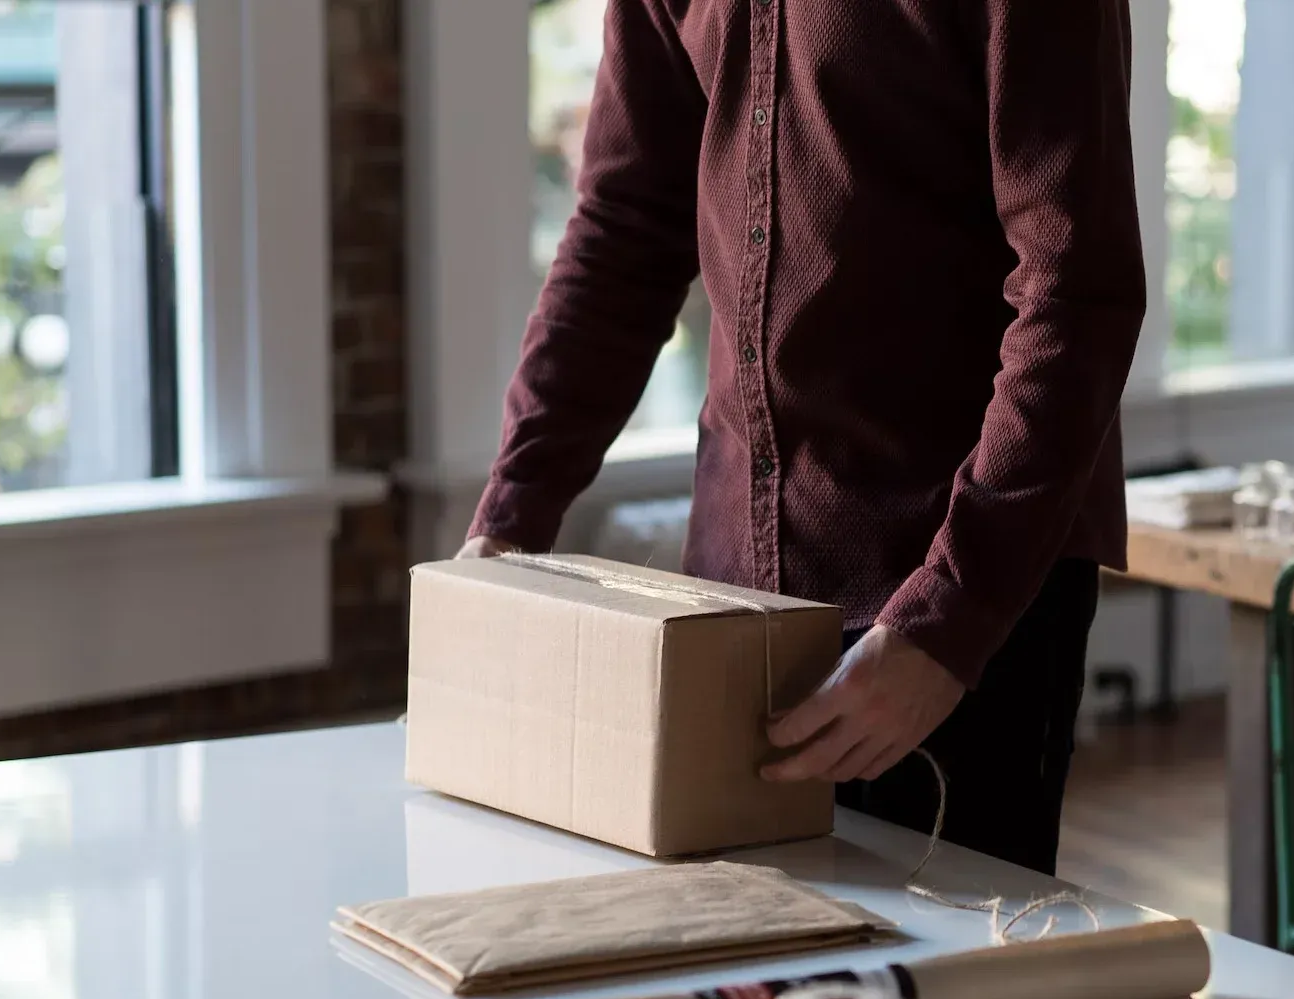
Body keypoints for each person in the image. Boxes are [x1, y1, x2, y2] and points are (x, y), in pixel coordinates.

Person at [460, 0, 1145, 877]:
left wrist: (945, 623)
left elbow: (1075, 295)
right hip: (730, 602)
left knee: (938, 998)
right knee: (736, 987)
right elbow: (625, 229)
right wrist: (510, 521)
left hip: (959, 604)